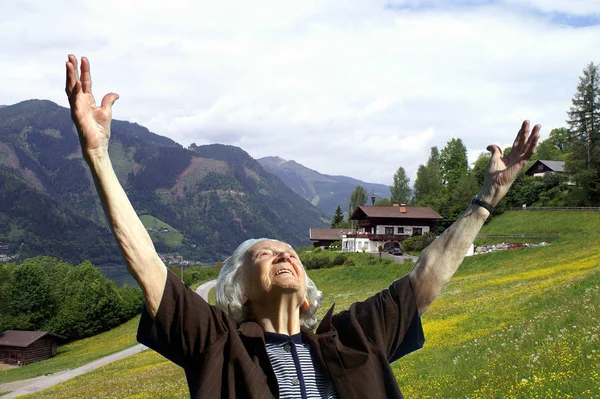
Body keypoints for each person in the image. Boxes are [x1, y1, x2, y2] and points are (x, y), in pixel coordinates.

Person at [65, 55, 540, 399]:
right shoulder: (217, 343)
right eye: (265, 254)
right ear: (241, 293)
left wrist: (484, 203)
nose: (284, 254)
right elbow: (149, 266)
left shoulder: (356, 337)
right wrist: (99, 155)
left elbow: (425, 278)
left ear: (310, 291)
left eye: (288, 250)